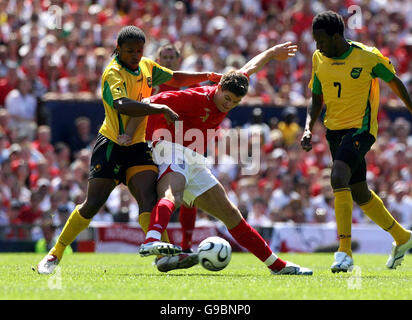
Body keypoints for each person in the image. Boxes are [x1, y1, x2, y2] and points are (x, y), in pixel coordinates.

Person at [36, 25, 221, 275]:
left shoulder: (146, 66)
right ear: (118, 49)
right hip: (111, 146)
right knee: (92, 204)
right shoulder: (112, 73)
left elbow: (175, 78)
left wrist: (208, 75)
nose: (135, 55)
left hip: (137, 146)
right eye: (130, 51)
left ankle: (162, 256)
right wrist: (158, 109)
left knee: (149, 198)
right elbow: (123, 105)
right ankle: (55, 253)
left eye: (139, 50)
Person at [120, 42, 312, 275]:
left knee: (231, 214)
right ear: (219, 87)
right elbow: (145, 104)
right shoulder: (194, 97)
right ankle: (151, 240)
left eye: (235, 102)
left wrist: (271, 53)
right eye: (227, 98)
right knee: (174, 194)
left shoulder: (232, 83)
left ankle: (277, 266)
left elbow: (249, 67)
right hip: (168, 147)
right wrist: (128, 134)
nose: (228, 104)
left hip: (195, 159)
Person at [300, 11, 412, 273]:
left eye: (322, 41)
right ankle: (403, 237)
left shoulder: (367, 56)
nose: (318, 47)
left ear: (337, 36)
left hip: (361, 130)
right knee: (360, 193)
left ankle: (344, 252)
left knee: (338, 176)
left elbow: (395, 82)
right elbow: (316, 98)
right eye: (316, 41)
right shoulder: (319, 58)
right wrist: (307, 128)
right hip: (334, 132)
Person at [153, 43, 199, 253]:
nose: (169, 60)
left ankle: (186, 247)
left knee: (189, 198)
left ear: (179, 61)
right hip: (154, 147)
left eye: (172, 57)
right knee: (159, 198)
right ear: (158, 61)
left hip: (181, 146)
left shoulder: (188, 89)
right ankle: (162, 243)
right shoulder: (149, 87)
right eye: (165, 57)